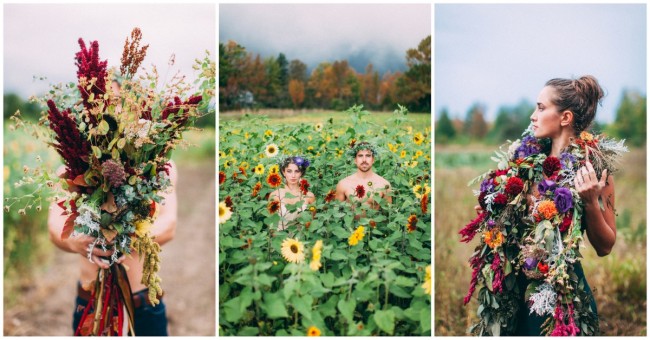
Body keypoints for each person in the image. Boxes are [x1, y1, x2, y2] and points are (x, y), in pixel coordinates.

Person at [474, 75, 615, 335]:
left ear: (565, 118)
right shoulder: (523, 162)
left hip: (559, 297)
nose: (532, 116)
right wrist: (493, 215)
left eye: (540, 108)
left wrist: (590, 203)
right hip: (512, 292)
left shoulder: (593, 171)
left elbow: (605, 246)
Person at [335, 141, 392, 211]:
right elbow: (336, 214)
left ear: (373, 159)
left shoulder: (383, 185)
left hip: (374, 221)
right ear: (355, 160)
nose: (364, 160)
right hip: (351, 222)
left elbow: (388, 215)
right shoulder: (343, 184)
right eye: (360, 156)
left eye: (368, 156)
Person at [269, 156, 315, 231]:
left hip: (302, 239)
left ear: (301, 173)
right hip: (280, 239)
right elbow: (271, 226)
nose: (293, 175)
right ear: (283, 172)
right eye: (289, 171)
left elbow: (312, 225)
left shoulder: (309, 196)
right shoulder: (275, 195)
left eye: (297, 171)